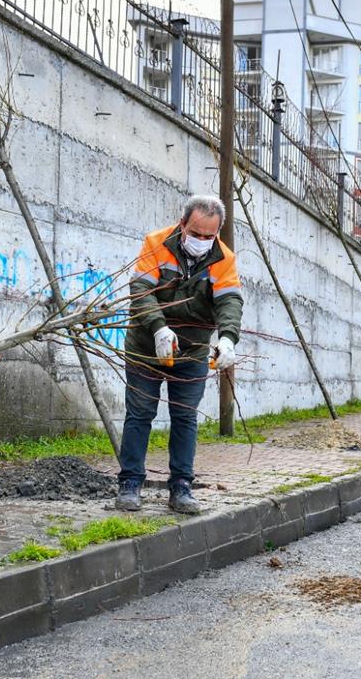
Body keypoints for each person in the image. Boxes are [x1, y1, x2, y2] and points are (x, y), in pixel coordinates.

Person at [116, 194, 243, 515]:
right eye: (196, 234)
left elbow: (229, 301)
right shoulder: (156, 243)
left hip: (192, 350)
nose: (201, 241)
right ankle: (130, 483)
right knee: (140, 412)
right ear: (183, 223)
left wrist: (227, 339)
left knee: (185, 416)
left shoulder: (223, 258)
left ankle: (181, 487)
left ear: (217, 233)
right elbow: (141, 291)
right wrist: (158, 327)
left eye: (208, 237)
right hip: (146, 345)